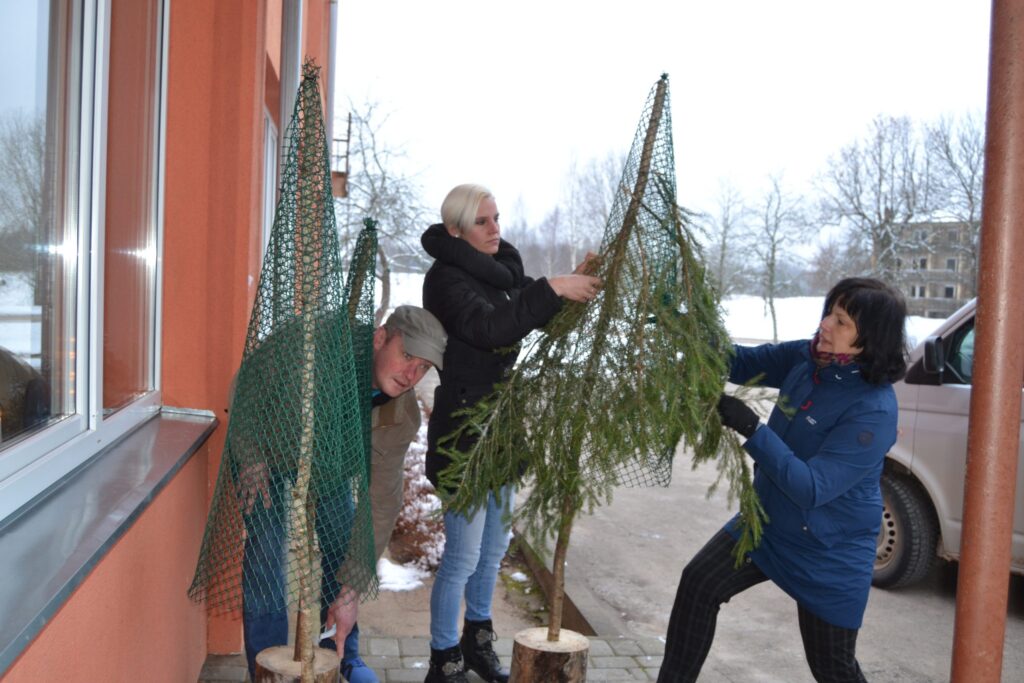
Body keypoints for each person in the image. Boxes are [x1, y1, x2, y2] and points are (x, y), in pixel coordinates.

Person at [658, 278, 908, 683]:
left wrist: (751, 427)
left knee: (833, 669)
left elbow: (812, 487)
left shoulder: (873, 409)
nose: (825, 324)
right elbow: (737, 360)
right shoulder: (808, 358)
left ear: (870, 338)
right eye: (829, 312)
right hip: (768, 527)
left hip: (829, 553)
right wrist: (686, 325)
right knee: (699, 584)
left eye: (841, 321)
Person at [420, 183, 602, 683]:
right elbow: (489, 329)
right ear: (457, 229)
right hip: (465, 437)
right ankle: (443, 659)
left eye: (497, 218)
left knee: (494, 550)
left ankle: (477, 642)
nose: (495, 228)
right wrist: (552, 288)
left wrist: (573, 289)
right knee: (462, 557)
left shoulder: (501, 274)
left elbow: (535, 317)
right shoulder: (445, 280)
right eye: (483, 221)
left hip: (503, 432)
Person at [242, 305, 447, 683]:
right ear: (380, 338)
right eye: (406, 356)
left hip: (330, 465)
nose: (410, 375)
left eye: (422, 368)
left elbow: (382, 502)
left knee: (345, 542)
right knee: (265, 556)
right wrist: (251, 454)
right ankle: (265, 666)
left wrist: (353, 589)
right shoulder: (313, 344)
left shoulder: (400, 416)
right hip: (269, 449)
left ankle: (341, 655)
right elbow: (248, 384)